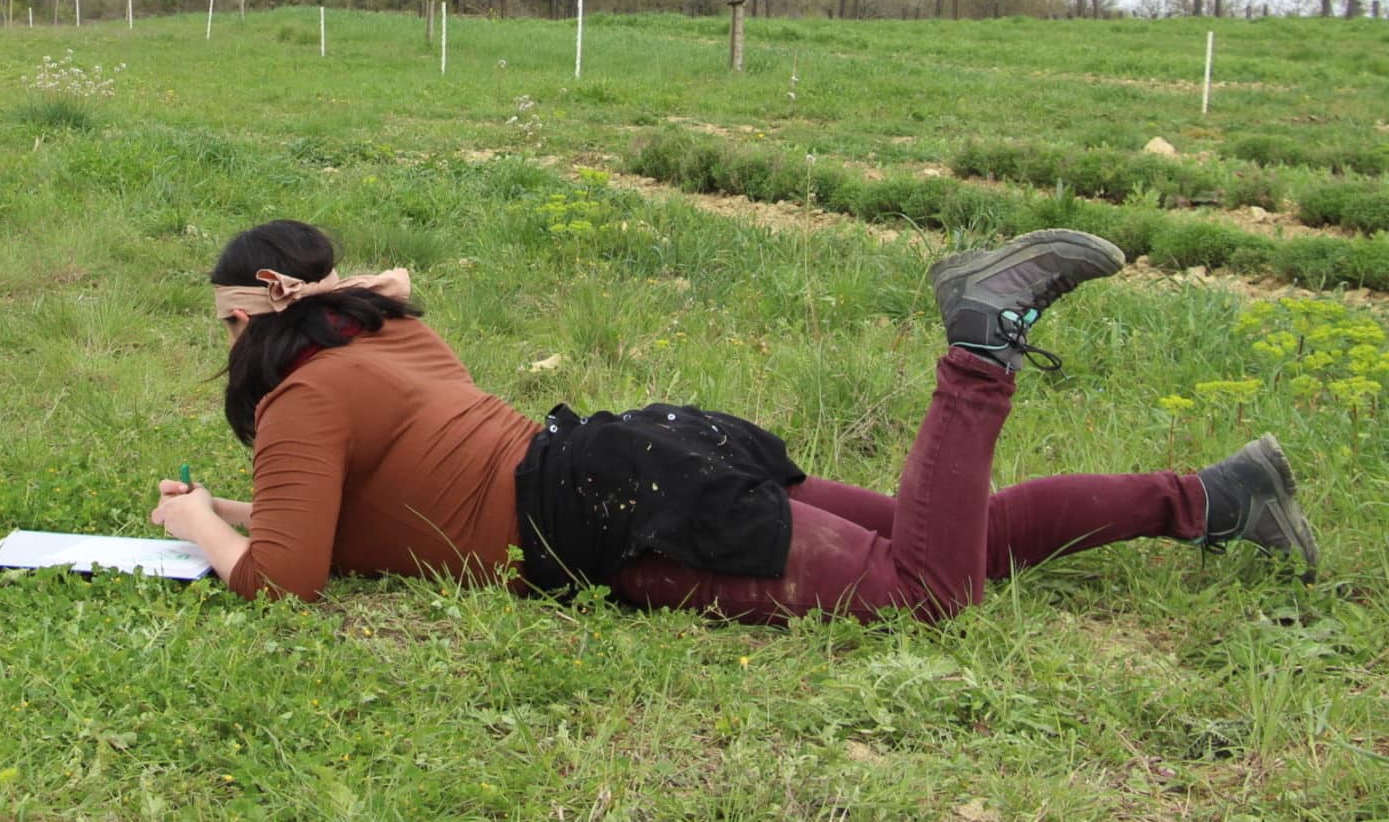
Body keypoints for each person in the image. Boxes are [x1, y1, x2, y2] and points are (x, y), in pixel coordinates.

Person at [150, 220, 1319, 623]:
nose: (225, 348)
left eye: (222, 326)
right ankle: (1218, 497)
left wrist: (204, 523)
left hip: (608, 515)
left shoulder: (302, 393)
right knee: (955, 538)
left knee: (925, 588)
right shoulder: (396, 342)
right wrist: (249, 508)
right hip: (635, 452)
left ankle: (979, 341)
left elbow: (283, 582)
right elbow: (382, 512)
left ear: (258, 319)